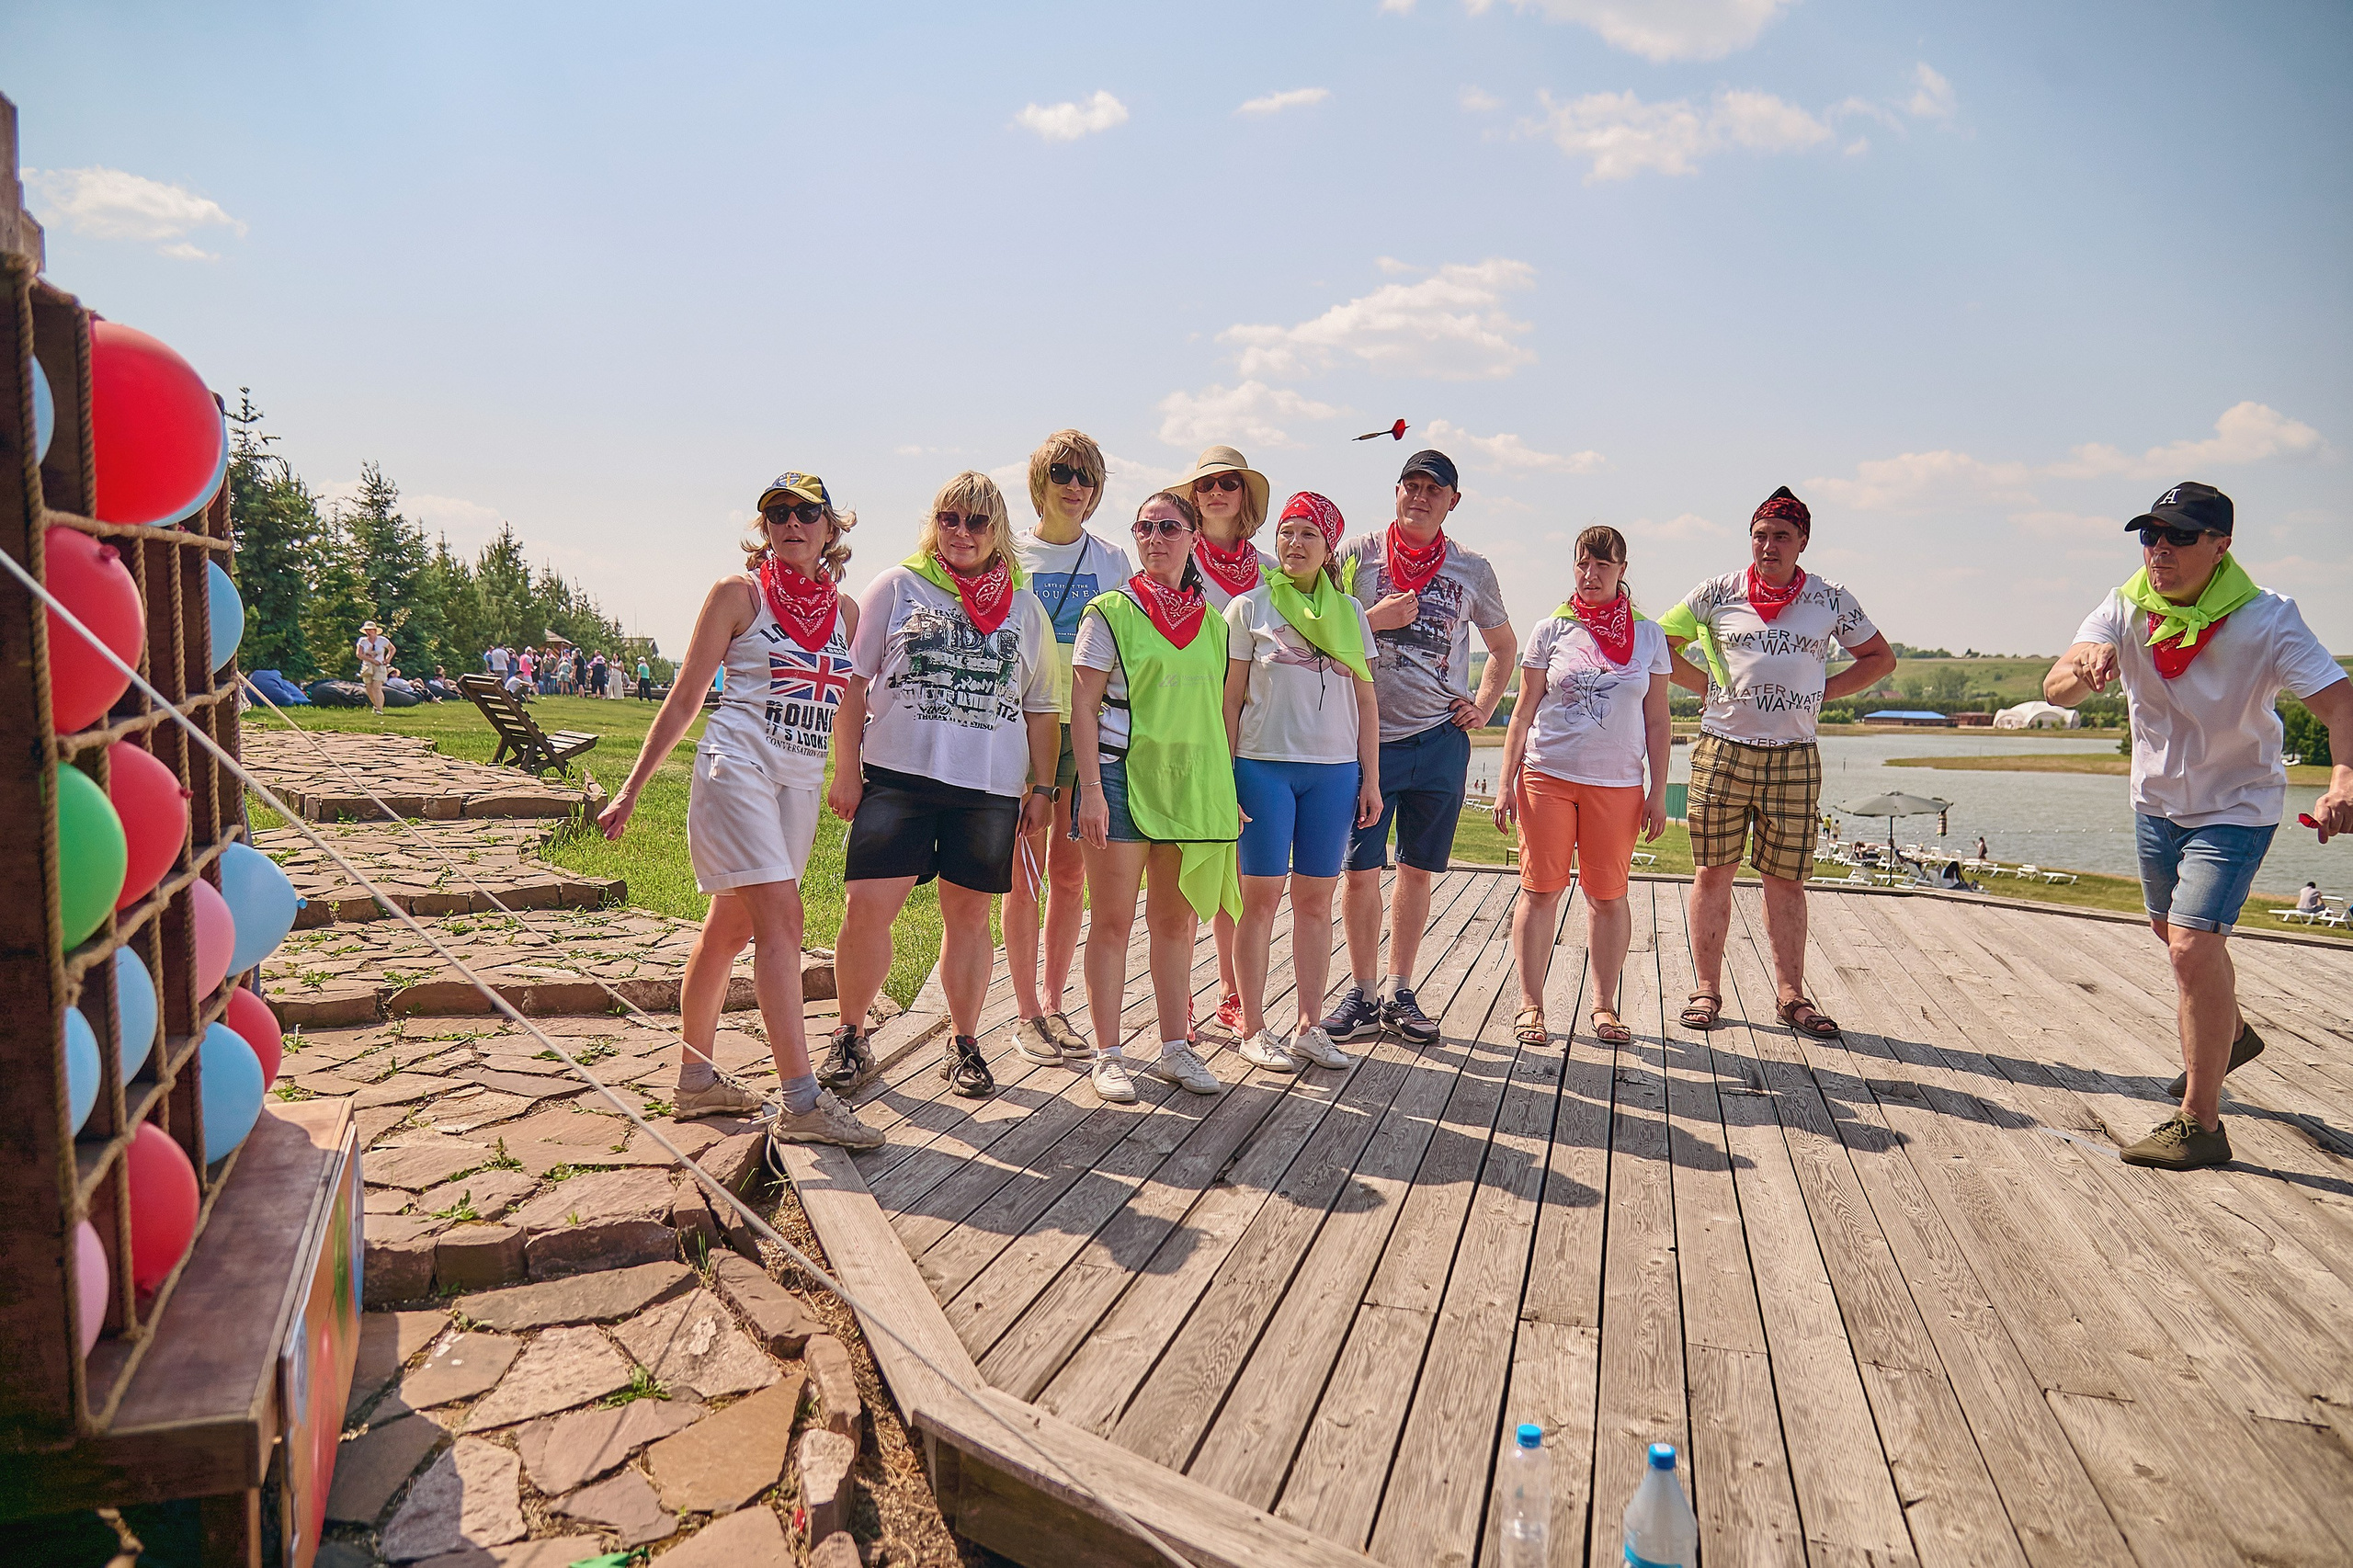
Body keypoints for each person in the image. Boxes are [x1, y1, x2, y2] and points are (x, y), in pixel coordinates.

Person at [2042, 482, 2352, 1169]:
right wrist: (2082, 671)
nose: (2159, 551)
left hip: (2237, 806)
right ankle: (2233, 1034)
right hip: (2155, 804)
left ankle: (2201, 1124)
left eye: (2180, 536)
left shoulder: (2268, 618)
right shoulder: (2126, 604)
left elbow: (2340, 704)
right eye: (2150, 535)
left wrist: (2342, 780)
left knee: (2189, 949)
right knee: (2178, 938)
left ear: (2221, 545)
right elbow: (2054, 684)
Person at [599, 470, 882, 1149]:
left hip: (799, 784)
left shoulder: (846, 614)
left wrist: (851, 770)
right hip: (737, 772)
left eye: (806, 513)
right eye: (777, 513)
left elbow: (847, 697)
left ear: (830, 528)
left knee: (730, 929)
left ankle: (694, 1082)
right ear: (764, 528)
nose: (791, 523)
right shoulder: (738, 595)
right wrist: (633, 786)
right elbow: (687, 694)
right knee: (784, 919)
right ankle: (803, 1100)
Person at [824, 472, 1061, 1100]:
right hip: (898, 779)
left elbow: (1041, 706)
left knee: (969, 918)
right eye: (949, 519)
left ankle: (964, 1043)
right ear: (934, 523)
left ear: (998, 531)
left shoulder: (1023, 607)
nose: (961, 533)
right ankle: (850, 1033)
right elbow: (852, 683)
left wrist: (1042, 787)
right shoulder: (897, 586)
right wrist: (847, 769)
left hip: (986, 786)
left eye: (977, 522)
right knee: (868, 909)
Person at [1659, 486, 1894, 1039]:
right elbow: (1660, 645)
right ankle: (1707, 989)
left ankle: (1792, 994)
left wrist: (1821, 693)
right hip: (1722, 750)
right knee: (1712, 872)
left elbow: (1880, 658)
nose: (1769, 546)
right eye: (1760, 535)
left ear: (1802, 543)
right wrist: (1708, 686)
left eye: (1782, 537)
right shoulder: (1716, 592)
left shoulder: (1829, 598)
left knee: (1785, 879)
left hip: (1793, 756)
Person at [1322, 449, 1516, 1045]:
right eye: (1411, 484)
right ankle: (1359, 991)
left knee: (1415, 871)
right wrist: (1369, 619)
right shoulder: (1355, 556)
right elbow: (1316, 630)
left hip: (1438, 740)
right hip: (1362, 740)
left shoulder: (1471, 569)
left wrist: (1482, 708)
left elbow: (1504, 648)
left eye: (1435, 489)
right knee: (1359, 871)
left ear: (1453, 501)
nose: (1420, 496)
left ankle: (1399, 990)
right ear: (1396, 490)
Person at [1072, 490, 1244, 1103]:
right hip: (1118, 780)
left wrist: (1226, 789)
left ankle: (1175, 1048)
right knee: (1113, 922)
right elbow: (1084, 707)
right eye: (1144, 527)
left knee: (1175, 922)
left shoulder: (1216, 626)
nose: (1154, 537)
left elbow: (1216, 717)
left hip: (1190, 790)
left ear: (1195, 537)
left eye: (1169, 527)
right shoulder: (1109, 611)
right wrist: (1089, 790)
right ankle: (1109, 1053)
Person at [1494, 525, 1671, 1049]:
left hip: (1616, 785)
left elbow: (1658, 720)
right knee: (1541, 889)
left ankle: (1604, 1006)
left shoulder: (1649, 636)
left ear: (1622, 570)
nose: (1590, 575)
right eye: (1581, 564)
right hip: (1546, 776)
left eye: (1602, 565)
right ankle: (1531, 1005)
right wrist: (1505, 784)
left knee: (1608, 896)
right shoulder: (1552, 629)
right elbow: (1522, 713)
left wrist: (1659, 790)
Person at [1222, 492, 1376, 1072]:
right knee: (1258, 901)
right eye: (1286, 532)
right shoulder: (1248, 609)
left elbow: (1365, 697)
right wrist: (1228, 775)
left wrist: (1371, 779)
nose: (1294, 543)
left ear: (1329, 545)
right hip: (1263, 767)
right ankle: (1255, 1028)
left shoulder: (1352, 614)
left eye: (1309, 533)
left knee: (1315, 903)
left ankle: (1311, 1025)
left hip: (1334, 773)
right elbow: (1231, 699)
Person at [1003, 430, 1133, 1067]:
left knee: (1073, 872)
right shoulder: (1010, 554)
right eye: (1063, 473)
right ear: (1040, 481)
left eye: (1086, 476)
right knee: (1023, 873)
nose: (1075, 486)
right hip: (1026, 725)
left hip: (1088, 730)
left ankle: (1055, 1005)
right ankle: (1025, 1011)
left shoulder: (1112, 559)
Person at [1175, 445, 1278, 1037]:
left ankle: (1235, 993)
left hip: (1245, 728)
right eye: (1205, 485)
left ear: (1244, 498)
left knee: (1237, 870)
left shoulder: (1268, 569)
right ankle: (1180, 996)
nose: (1216, 493)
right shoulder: (1176, 560)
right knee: (1186, 867)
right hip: (1186, 725)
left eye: (1228, 485)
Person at [356, 620, 394, 715]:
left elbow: (392, 649)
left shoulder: (382, 640)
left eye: (370, 630)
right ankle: (376, 705)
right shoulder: (362, 641)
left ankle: (380, 710)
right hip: (367, 666)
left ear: (375, 630)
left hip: (380, 666)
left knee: (377, 687)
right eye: (367, 630)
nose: (368, 632)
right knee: (369, 688)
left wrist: (388, 659)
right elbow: (359, 654)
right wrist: (372, 660)